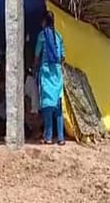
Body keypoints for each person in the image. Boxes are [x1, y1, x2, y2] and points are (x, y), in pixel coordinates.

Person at [34, 10, 66, 145]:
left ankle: (48, 137)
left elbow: (37, 55)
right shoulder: (59, 36)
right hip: (57, 73)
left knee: (47, 104)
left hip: (46, 72)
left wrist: (34, 67)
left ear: (44, 21)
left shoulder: (42, 36)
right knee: (58, 105)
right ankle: (61, 138)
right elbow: (63, 57)